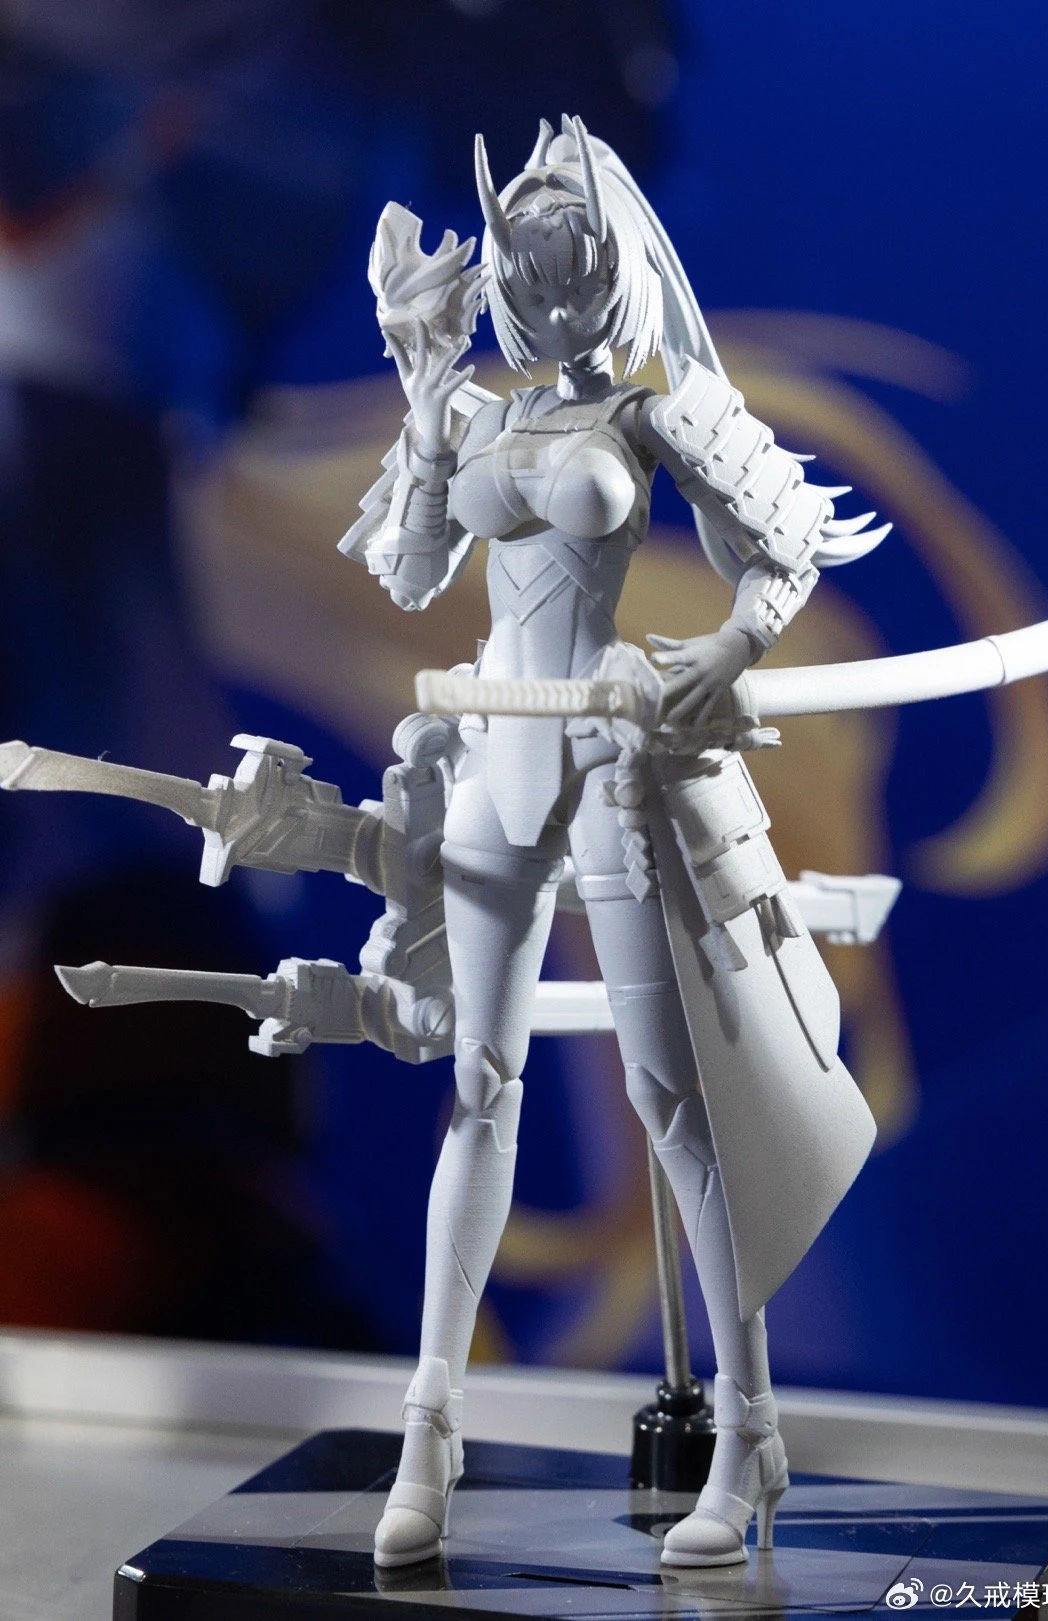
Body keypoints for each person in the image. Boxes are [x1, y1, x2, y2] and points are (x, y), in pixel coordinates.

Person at [341, 115, 887, 1571]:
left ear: (612, 262)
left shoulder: (654, 414)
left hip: (605, 763)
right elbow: (409, 575)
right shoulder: (476, 417)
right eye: (528, 261)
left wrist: (728, 648)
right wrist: (423, 399)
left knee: (671, 1099)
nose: (548, 282)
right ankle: (430, 1426)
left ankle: (749, 1433)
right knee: (478, 1086)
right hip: (492, 761)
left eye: (570, 257)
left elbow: (782, 550)